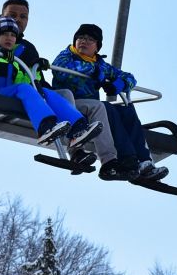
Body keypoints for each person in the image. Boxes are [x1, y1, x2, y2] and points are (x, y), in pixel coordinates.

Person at [0, 0, 131, 180]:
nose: (18, 20)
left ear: (97, 46)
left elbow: (37, 78)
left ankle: (110, 161)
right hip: (14, 93)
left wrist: (118, 84)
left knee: (100, 106)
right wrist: (0, 54)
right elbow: (63, 75)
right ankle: (75, 148)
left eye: (23, 17)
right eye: (12, 15)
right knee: (65, 94)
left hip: (38, 95)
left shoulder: (28, 48)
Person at [52, 23, 169, 181]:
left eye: (90, 39)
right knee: (104, 107)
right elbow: (61, 71)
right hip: (70, 103)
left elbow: (129, 77)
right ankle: (123, 159)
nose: (84, 41)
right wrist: (95, 72)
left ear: (97, 47)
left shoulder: (100, 64)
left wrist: (119, 84)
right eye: (80, 38)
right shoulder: (67, 55)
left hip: (90, 107)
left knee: (126, 108)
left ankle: (143, 161)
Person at [0, 16, 101, 149]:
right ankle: (45, 127)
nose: (9, 38)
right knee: (24, 89)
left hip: (6, 92)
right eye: (5, 34)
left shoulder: (12, 57)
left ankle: (78, 127)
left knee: (45, 92)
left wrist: (34, 68)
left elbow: (23, 82)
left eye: (13, 35)